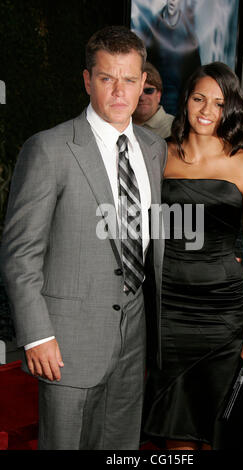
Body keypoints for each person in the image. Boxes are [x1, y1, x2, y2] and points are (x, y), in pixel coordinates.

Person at [0, 26, 167, 450]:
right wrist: (37, 335)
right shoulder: (50, 149)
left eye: (130, 79)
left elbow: (152, 240)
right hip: (66, 340)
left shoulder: (153, 149)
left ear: (143, 83)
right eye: (107, 78)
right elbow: (20, 254)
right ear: (87, 80)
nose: (119, 91)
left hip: (134, 338)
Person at [142, 62, 243, 450]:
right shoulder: (158, 157)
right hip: (170, 315)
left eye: (218, 102)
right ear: (186, 101)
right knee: (176, 435)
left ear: (230, 109)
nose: (206, 110)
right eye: (199, 98)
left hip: (224, 317)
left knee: (222, 431)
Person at [147, 0, 201, 115]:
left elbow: (196, 75)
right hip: (152, 102)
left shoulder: (189, 32)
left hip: (178, 105)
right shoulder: (153, 25)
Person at [133, 62, 174, 139]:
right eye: (137, 91)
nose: (142, 97)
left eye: (149, 90)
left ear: (159, 95)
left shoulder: (175, 128)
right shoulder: (116, 124)